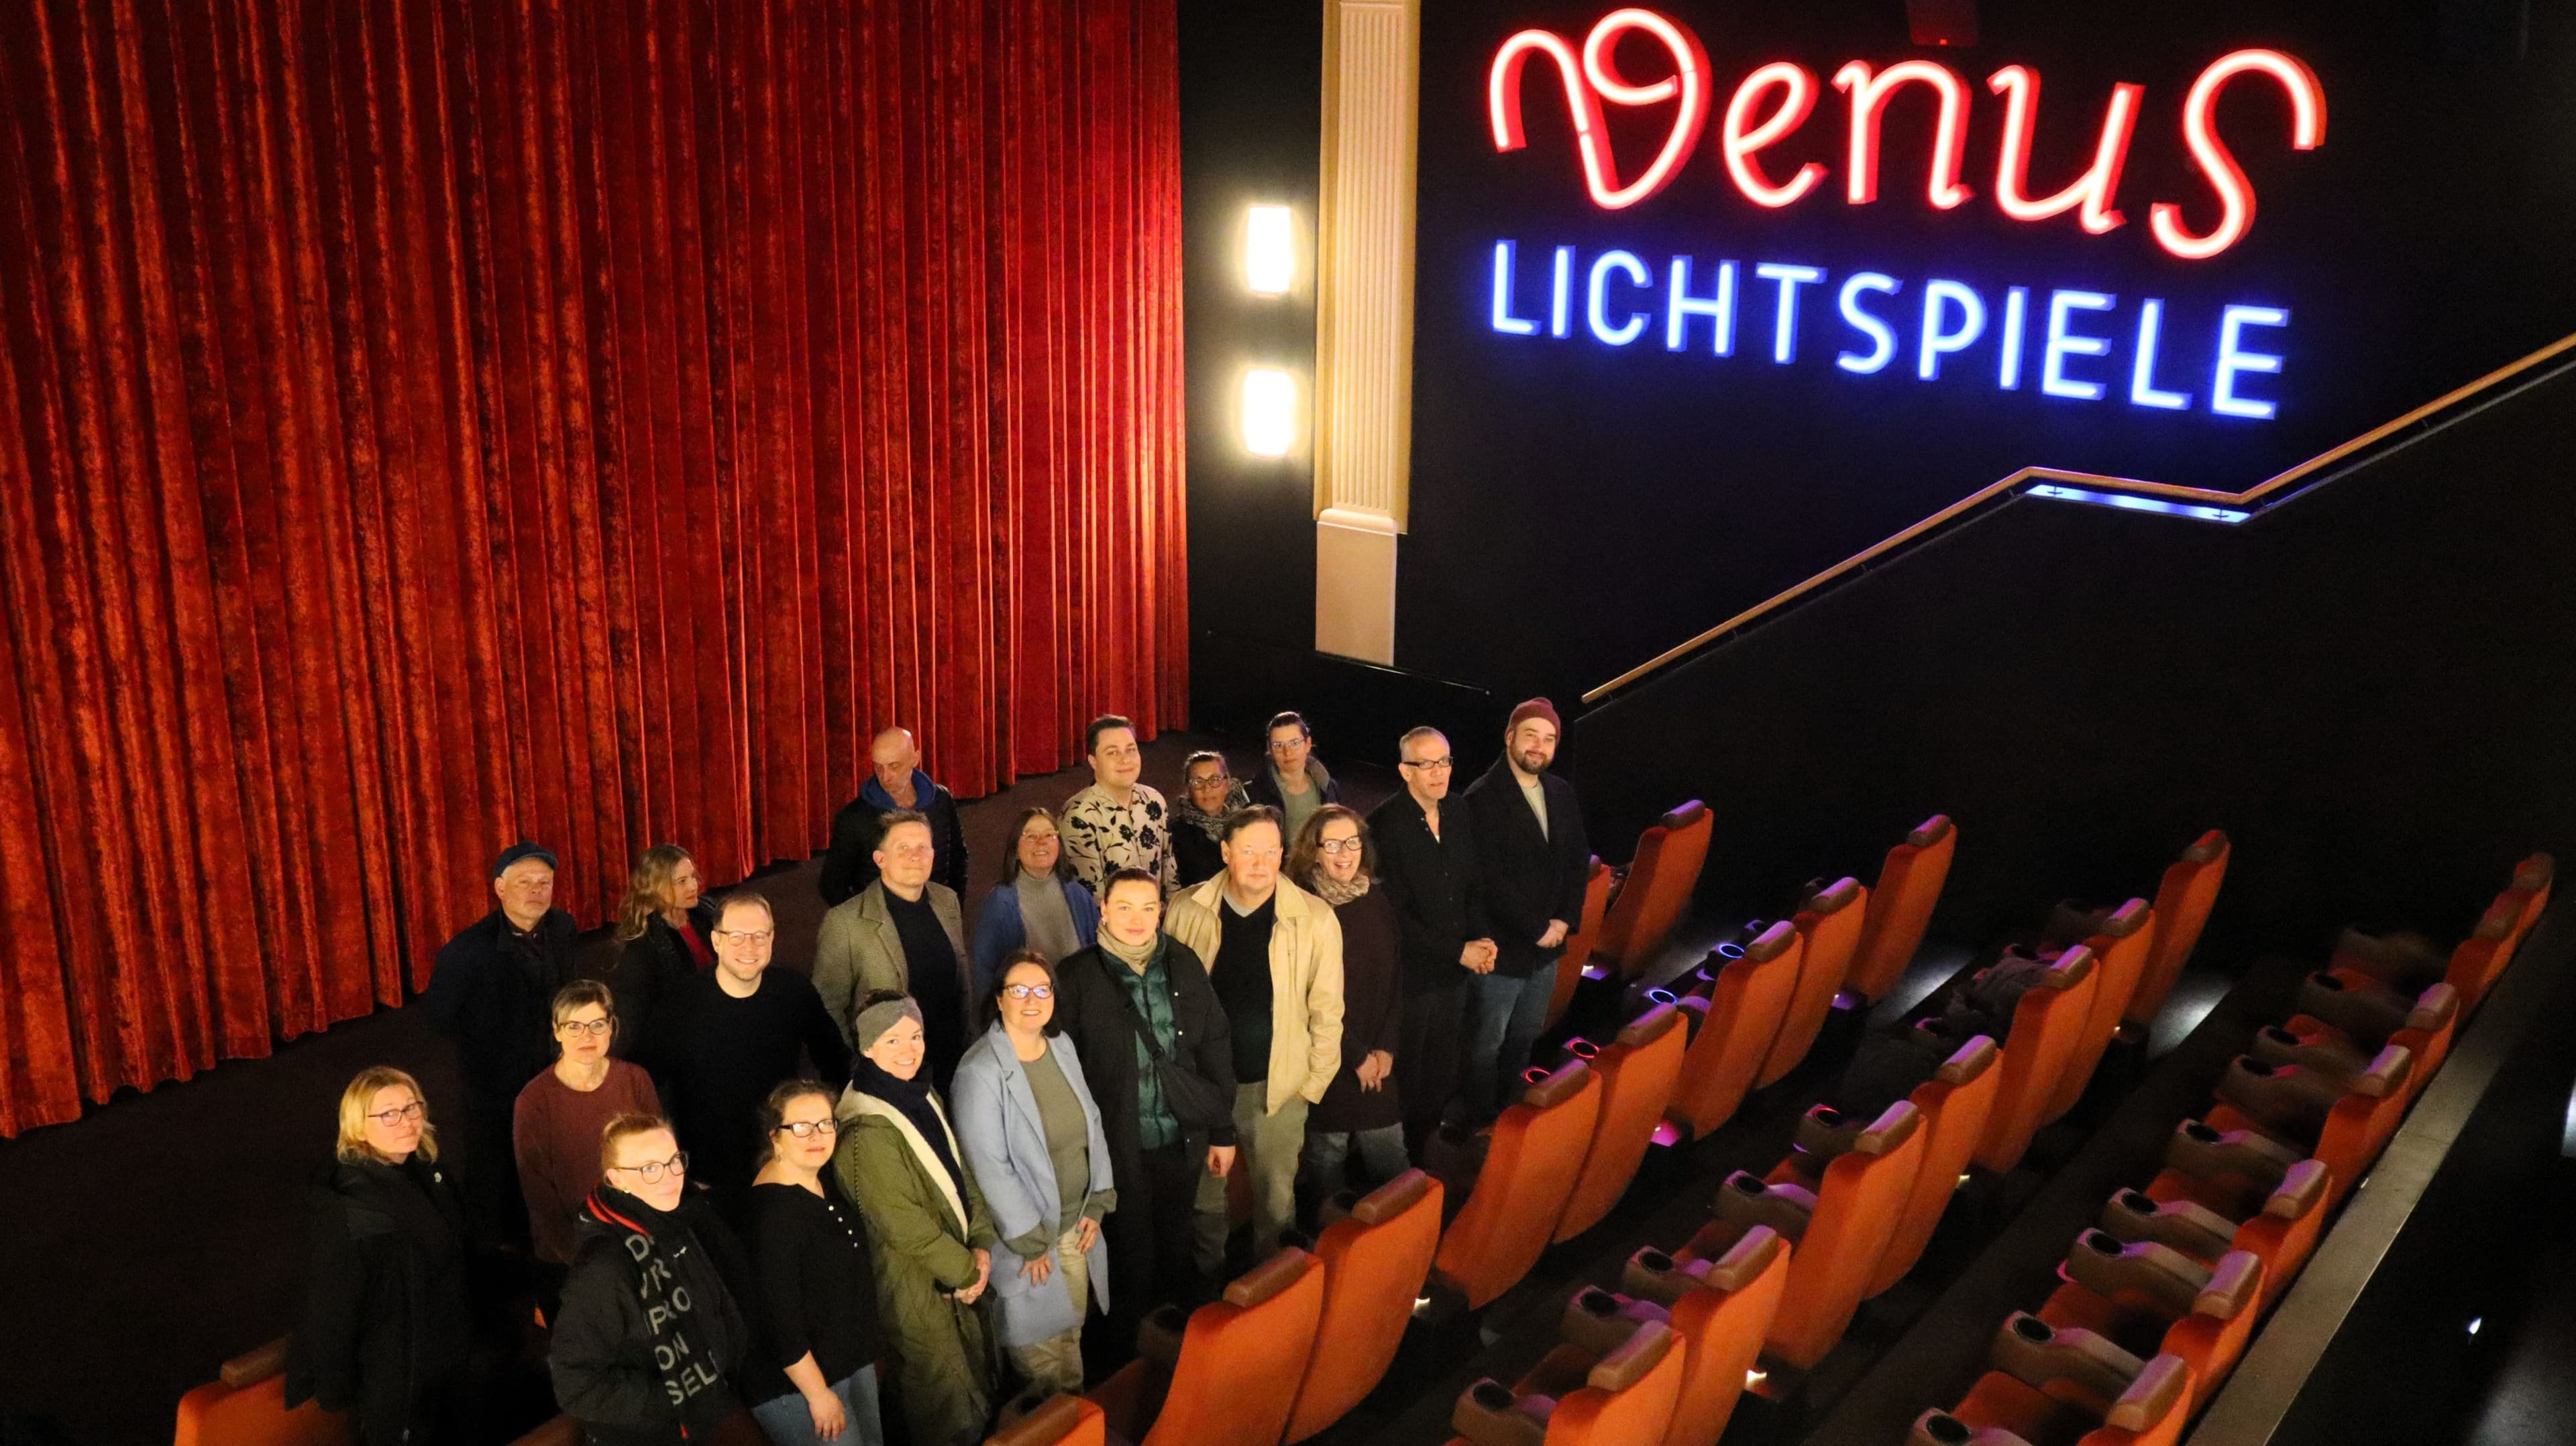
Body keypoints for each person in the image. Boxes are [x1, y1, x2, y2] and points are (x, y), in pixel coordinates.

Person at [1050, 869, 1236, 1341]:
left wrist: (1221, 1131)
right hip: (1117, 1151)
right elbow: (1063, 1073)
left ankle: (1171, 1341)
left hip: (1180, 1139)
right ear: (1104, 909)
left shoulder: (1183, 963)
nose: (1137, 919)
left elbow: (1214, 1044)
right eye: (1125, 907)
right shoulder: (1074, 976)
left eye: (1148, 907)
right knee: (1130, 1257)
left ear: (1162, 911)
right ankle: (1134, 1350)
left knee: (1174, 1246)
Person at [1163, 806, 1344, 1267]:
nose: (1261, 862)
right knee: (1205, 1201)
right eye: (1248, 851)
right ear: (1226, 852)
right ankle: (1208, 1285)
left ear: (1283, 853)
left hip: (1275, 1088)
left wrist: (1310, 1085)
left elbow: (1328, 1010)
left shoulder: (1316, 918)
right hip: (1203, 1088)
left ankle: (1272, 1293)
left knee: (1275, 1199)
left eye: (1270, 851)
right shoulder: (1187, 909)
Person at [835, 994, 1000, 1446]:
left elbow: (961, 1171)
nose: (909, 1049)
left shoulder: (920, 1091)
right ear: (867, 1048)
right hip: (916, 1288)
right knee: (946, 1406)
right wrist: (968, 1269)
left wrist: (982, 1240)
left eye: (915, 1035)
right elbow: (906, 1227)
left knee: (976, 1390)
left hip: (958, 1272)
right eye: (892, 1039)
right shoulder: (865, 1131)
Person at [951, 953, 1117, 1395]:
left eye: (1042, 988)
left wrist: (1098, 1199)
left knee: (1072, 1350)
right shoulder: (979, 1072)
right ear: (998, 1000)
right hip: (1027, 1248)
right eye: (1018, 990)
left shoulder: (1059, 1045)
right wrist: (1030, 1239)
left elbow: (1092, 1121)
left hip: (1075, 1229)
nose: (1032, 999)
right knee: (1042, 1374)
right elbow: (989, 1166)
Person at [286, 1068, 472, 1446]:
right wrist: (335, 1390)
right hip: (400, 1375)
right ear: (358, 1126)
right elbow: (333, 1309)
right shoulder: (353, 1212)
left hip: (444, 1353)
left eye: (412, 1107)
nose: (406, 1121)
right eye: (388, 1114)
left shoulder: (423, 1169)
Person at [550, 1115, 751, 1446]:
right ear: (616, 1179)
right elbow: (576, 1384)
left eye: (674, 1161)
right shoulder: (605, 1264)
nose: (670, 1177)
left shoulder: (678, 1218)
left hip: (704, 1414)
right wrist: (674, 1398)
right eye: (649, 1168)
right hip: (646, 1434)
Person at [642, 890, 853, 1196]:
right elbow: (645, 1082)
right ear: (716, 941)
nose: (749, 947)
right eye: (737, 936)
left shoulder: (794, 991)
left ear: (772, 938)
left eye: (759, 936)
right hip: (710, 1174)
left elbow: (835, 1060)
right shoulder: (679, 1004)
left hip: (782, 1161)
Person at [423, 841, 578, 1243]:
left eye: (544, 882)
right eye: (524, 882)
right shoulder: (465, 952)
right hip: (494, 1082)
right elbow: (438, 1017)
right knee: (494, 1166)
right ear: (500, 889)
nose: (536, 890)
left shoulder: (562, 927)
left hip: (551, 1067)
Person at [1460, 699, 1594, 1120]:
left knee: (1526, 1035)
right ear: (1510, 737)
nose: (1539, 746)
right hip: (1503, 949)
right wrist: (1537, 926)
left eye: (1549, 738)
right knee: (1486, 1043)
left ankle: (1510, 1111)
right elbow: (1488, 880)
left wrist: (1565, 920)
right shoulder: (1482, 797)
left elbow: (1578, 860)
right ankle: (1481, 1122)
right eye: (1531, 735)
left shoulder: (1560, 791)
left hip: (1548, 946)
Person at [1368, 729, 1497, 1150]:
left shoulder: (1459, 811)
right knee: (1411, 1069)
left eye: (1445, 761)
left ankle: (1427, 1142)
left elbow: (1475, 884)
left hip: (1456, 969)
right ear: (1406, 771)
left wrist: (1480, 938)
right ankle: (1402, 1157)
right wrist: (1458, 951)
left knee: (1444, 1064)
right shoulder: (1385, 825)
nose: (1439, 772)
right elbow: (1395, 916)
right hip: (1414, 975)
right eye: (1427, 764)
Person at [745, 1082, 889, 1446]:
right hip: (803, 1386)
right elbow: (781, 1323)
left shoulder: (818, 1180)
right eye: (801, 1127)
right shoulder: (774, 1216)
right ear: (775, 1136)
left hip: (847, 1361)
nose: (817, 1136)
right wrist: (818, 1395)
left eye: (825, 1124)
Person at [514, 981, 661, 1302]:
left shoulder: (635, 1080)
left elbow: (657, 1159)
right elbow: (539, 1195)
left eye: (597, 1024)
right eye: (574, 1026)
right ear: (556, 1031)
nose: (587, 1037)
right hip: (569, 1254)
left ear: (612, 1027)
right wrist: (581, 1258)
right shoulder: (534, 1100)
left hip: (635, 1238)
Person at [1290, 807, 1409, 1203]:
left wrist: (1386, 1047)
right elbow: (1305, 1002)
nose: (1345, 853)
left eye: (1353, 842)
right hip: (1332, 1060)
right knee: (1328, 1169)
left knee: (1391, 1163)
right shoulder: (1301, 909)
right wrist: (1357, 1056)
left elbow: (1395, 977)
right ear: (1314, 851)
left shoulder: (1374, 896)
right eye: (1333, 845)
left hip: (1378, 1057)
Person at [814, 811, 975, 1088]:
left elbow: (960, 981)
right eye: (903, 849)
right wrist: (861, 1068)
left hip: (950, 1060)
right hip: (890, 1073)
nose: (915, 856)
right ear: (880, 860)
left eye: (922, 847)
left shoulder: (947, 901)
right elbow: (827, 1008)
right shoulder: (846, 922)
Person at [820, 728, 971, 907]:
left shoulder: (942, 800)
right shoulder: (854, 818)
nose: (886, 777)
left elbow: (957, 859)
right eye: (878, 767)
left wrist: (953, 907)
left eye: (894, 766)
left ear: (915, 759)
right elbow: (832, 885)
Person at [968, 807, 1102, 988]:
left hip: (1080, 1004)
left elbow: (1099, 956)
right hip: (1029, 1010)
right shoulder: (999, 904)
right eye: (1031, 836)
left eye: (1049, 835)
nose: (1041, 843)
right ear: (1015, 849)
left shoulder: (1078, 895)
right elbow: (985, 973)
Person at [608, 844, 719, 1055]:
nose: (693, 886)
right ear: (656, 888)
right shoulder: (643, 947)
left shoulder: (707, 913)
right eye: (682, 882)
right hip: (685, 1037)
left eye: (693, 877)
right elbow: (639, 1021)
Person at [1061, 715, 1178, 896]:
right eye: (1113, 752)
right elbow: (1091, 896)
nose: (1125, 759)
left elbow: (1169, 868)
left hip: (1158, 916)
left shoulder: (1154, 800)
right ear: (1093, 761)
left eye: (1131, 750)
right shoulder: (1079, 816)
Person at [1244, 712, 1343, 848]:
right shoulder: (1254, 793)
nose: (1288, 752)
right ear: (1270, 750)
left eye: (1295, 743)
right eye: (1279, 745)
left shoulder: (1328, 787)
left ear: (1308, 743)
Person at [1170, 751, 1248, 890]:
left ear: (1227, 784)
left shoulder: (1247, 824)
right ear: (1188, 789)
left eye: (1215, 780)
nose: (1207, 789)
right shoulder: (1176, 833)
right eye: (1198, 782)